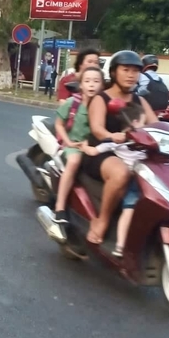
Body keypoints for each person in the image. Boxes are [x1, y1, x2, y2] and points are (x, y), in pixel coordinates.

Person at [82, 50, 158, 245]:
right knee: (121, 173)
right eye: (126, 70)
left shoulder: (139, 100)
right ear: (114, 72)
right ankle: (102, 220)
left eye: (135, 71)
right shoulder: (101, 98)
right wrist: (111, 136)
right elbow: (97, 129)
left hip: (132, 153)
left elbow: (156, 125)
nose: (131, 75)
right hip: (101, 152)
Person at [52, 65, 104, 227]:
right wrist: (68, 142)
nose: (91, 85)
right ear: (81, 84)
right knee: (74, 162)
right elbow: (59, 124)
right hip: (74, 146)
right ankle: (59, 208)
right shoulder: (73, 102)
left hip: (94, 147)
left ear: (102, 85)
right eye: (87, 81)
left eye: (96, 81)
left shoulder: (104, 106)